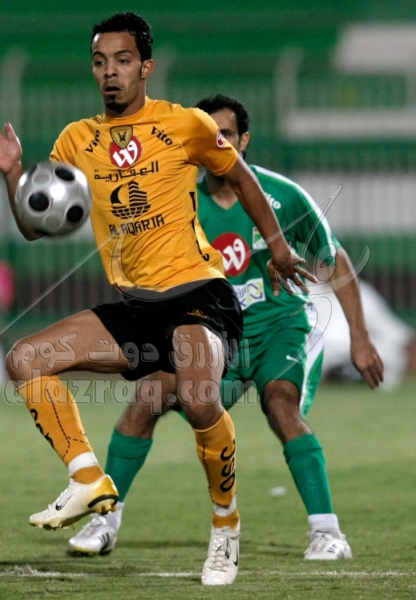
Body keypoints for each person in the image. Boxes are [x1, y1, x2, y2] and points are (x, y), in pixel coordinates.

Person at [0, 15, 312, 586]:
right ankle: (87, 479)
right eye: (100, 62)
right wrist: (13, 175)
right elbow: (33, 227)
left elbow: (243, 179)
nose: (110, 72)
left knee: (199, 400)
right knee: (25, 359)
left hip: (200, 294)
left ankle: (225, 527)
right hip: (136, 307)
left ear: (145, 67)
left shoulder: (185, 124)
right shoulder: (77, 139)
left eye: (123, 61)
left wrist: (277, 247)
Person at [67, 94, 384, 561]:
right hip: (214, 334)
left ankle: (328, 532)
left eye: (228, 135)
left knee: (280, 404)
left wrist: (360, 338)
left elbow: (334, 259)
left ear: (244, 140)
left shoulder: (282, 195)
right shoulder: (180, 200)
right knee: (149, 397)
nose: (220, 143)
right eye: (211, 134)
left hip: (279, 326)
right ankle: (105, 521)